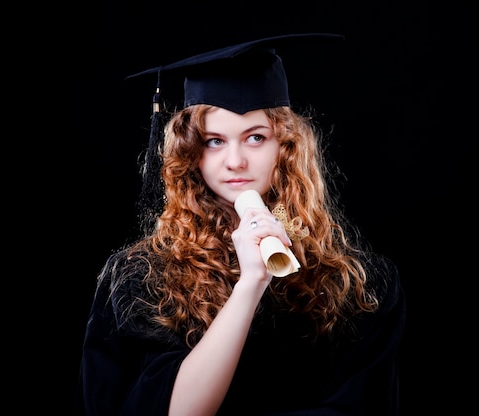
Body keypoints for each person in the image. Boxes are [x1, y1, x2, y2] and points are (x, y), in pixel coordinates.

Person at [75, 33, 406, 415]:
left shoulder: (358, 284)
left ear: (285, 146)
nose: (235, 161)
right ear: (190, 152)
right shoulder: (141, 279)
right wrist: (251, 283)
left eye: (255, 137)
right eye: (215, 140)